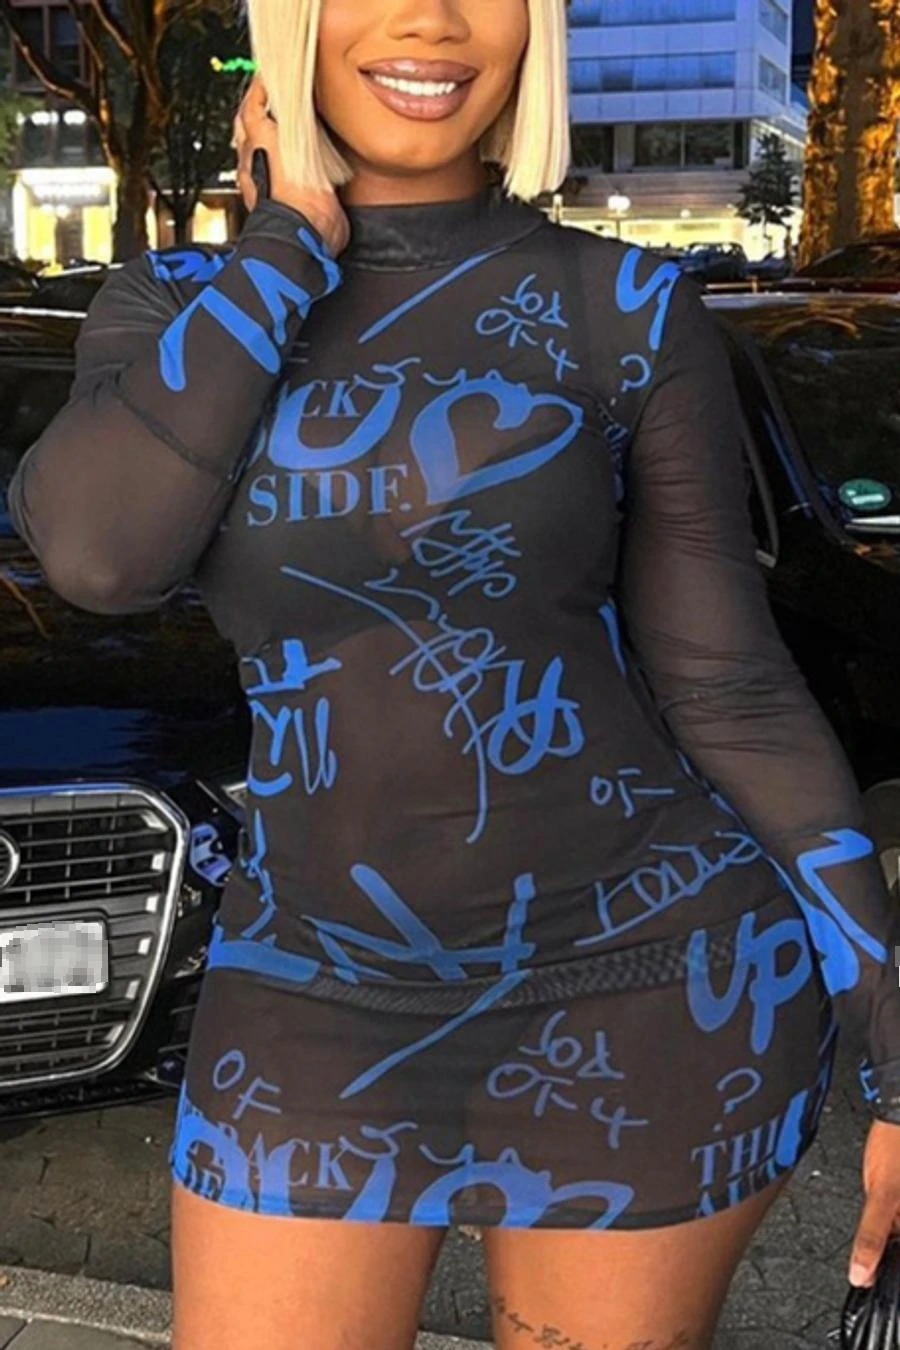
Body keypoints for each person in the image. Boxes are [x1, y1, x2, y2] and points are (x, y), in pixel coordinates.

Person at [8, 1, 900, 1346]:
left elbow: (730, 688)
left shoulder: (626, 306)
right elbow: (97, 554)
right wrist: (285, 242)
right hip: (305, 993)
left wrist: (891, 1033)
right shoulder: (180, 306)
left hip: (651, 980)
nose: (430, 17)